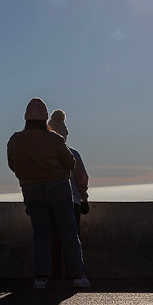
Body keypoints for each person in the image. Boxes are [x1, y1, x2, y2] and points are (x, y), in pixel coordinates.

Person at [7, 98, 90, 289]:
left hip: (31, 190)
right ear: (45, 118)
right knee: (68, 233)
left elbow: (12, 164)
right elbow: (70, 163)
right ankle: (78, 276)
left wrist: (28, 175)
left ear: (26, 118)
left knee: (41, 234)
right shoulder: (55, 139)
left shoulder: (15, 139)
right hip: (58, 188)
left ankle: (41, 278)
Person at [47, 109, 90, 279]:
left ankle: (54, 275)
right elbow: (82, 180)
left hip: (50, 202)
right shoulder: (74, 154)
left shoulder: (46, 156)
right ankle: (75, 274)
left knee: (53, 241)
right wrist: (85, 199)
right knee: (72, 239)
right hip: (73, 203)